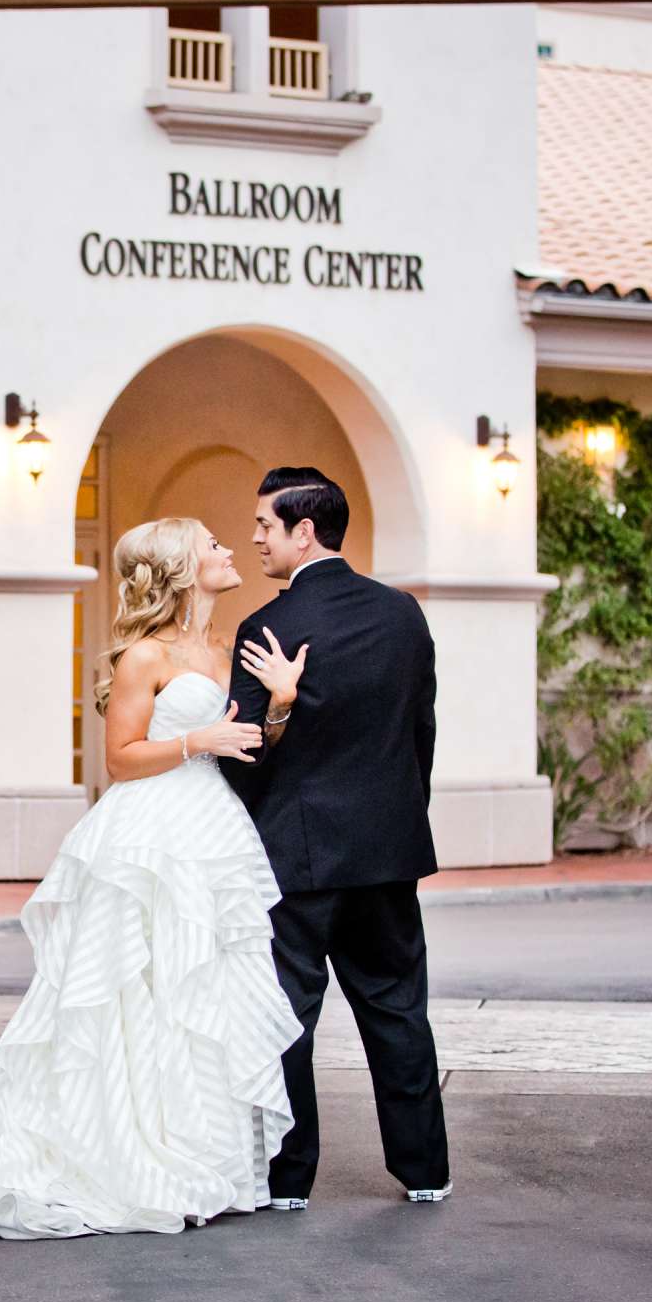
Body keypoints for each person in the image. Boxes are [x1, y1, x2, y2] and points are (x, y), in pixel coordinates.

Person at [0, 517, 306, 1239]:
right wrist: (195, 739)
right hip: (146, 832)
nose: (228, 548)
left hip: (209, 829)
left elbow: (241, 747)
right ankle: (120, 1152)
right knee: (130, 987)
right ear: (180, 566)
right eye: (211, 543)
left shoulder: (220, 647)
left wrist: (279, 708)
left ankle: (197, 1156)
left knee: (194, 987)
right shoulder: (146, 654)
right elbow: (121, 758)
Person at [219, 466, 450, 1208]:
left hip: (296, 855)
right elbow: (422, 731)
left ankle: (289, 1181)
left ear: (304, 530)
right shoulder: (403, 616)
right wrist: (398, 811)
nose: (255, 538)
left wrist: (254, 819)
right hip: (387, 850)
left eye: (264, 525)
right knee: (397, 1007)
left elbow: (244, 748)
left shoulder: (268, 627)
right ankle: (425, 1173)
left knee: (290, 1016)